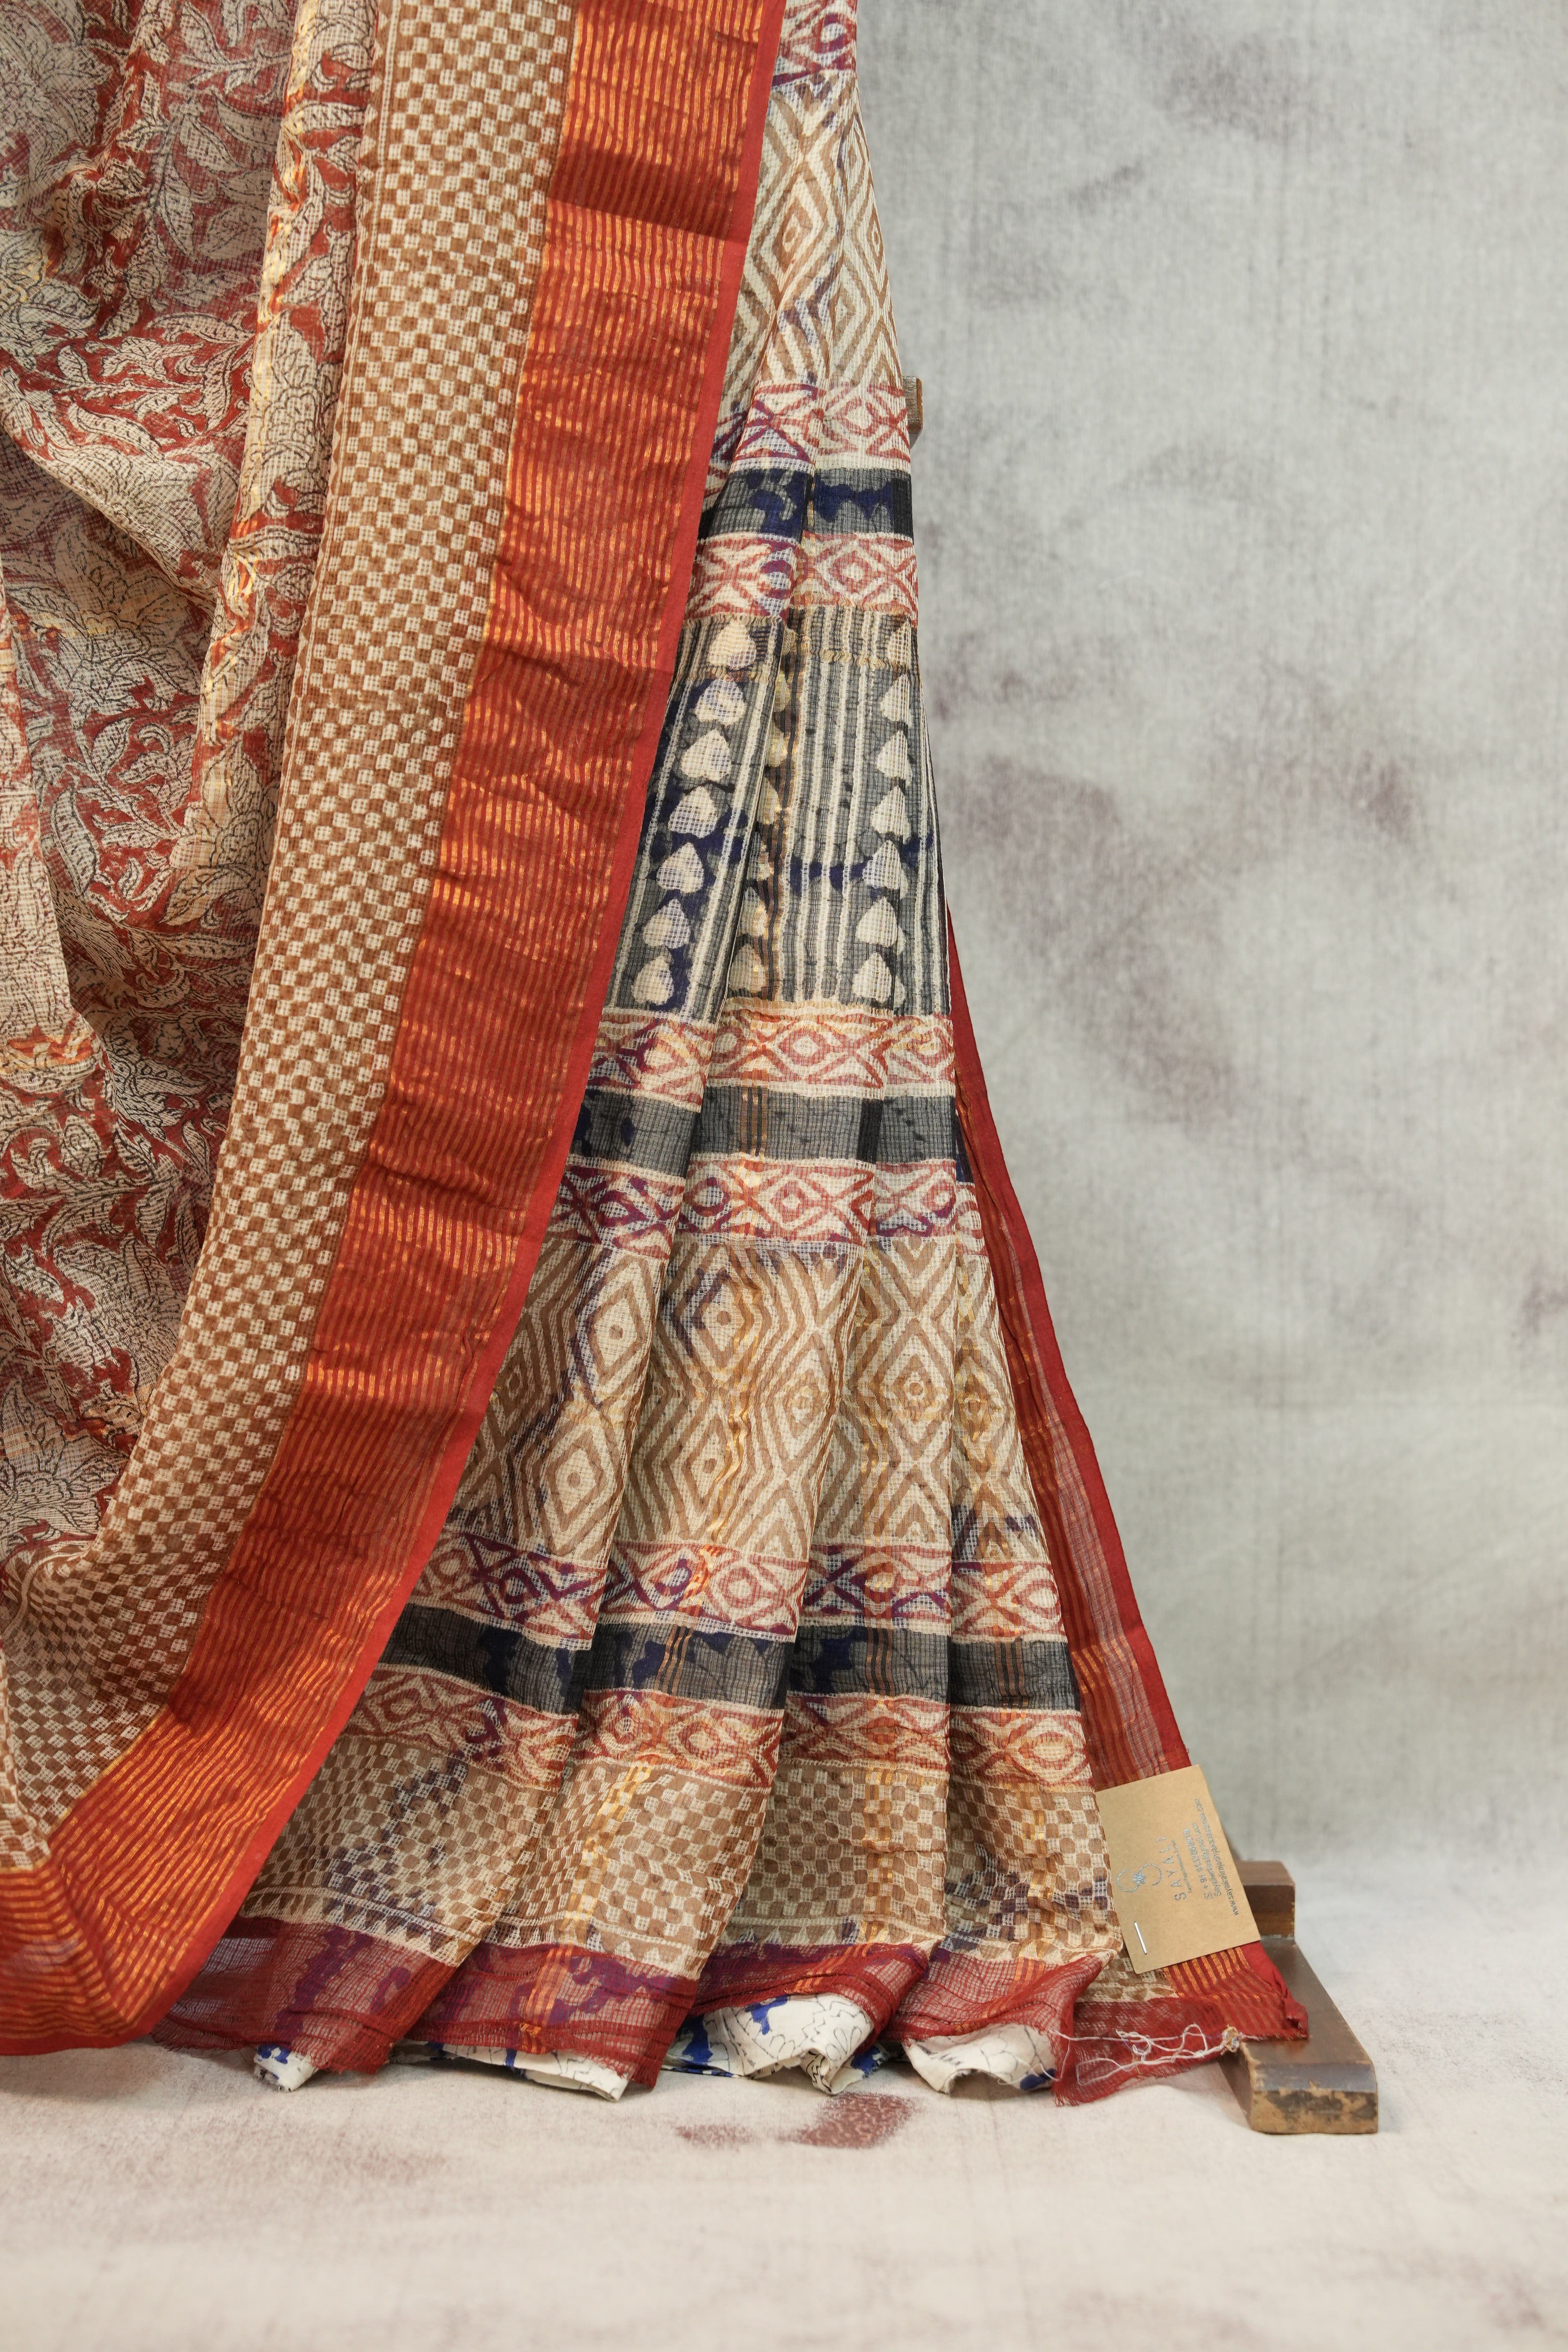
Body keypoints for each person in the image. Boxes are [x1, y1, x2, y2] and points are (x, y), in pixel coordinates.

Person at [0, 0, 1300, 2099]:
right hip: (478, 87)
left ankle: (789, 1794)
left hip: (667, 85)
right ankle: (460, 1772)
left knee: (769, 742)